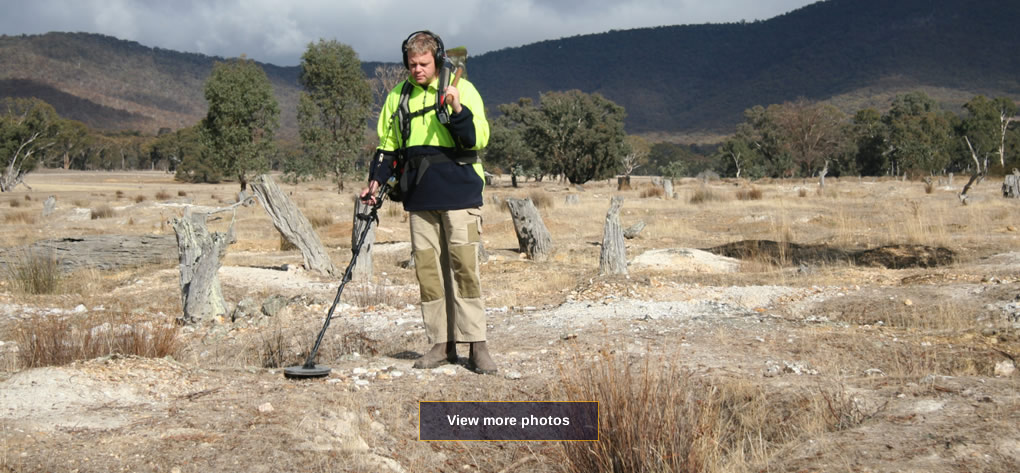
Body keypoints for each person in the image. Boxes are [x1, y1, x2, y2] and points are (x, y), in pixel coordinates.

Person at [360, 30, 495, 374]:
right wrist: (375, 182)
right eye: (411, 64)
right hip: (420, 197)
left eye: (423, 63)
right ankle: (441, 343)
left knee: (464, 268)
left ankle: (477, 344)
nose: (417, 70)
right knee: (428, 272)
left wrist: (457, 107)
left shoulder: (462, 88)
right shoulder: (398, 97)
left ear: (437, 59)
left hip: (460, 192)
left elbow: (478, 138)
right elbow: (388, 145)